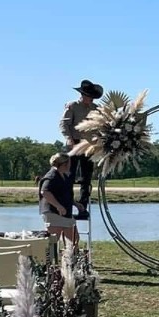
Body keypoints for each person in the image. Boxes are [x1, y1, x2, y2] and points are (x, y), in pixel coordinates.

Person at [59, 79, 103, 220]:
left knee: (86, 177)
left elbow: (99, 127)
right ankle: (67, 207)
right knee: (69, 176)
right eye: (89, 97)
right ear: (83, 95)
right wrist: (69, 138)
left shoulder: (96, 109)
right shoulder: (72, 106)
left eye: (92, 98)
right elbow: (63, 124)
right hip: (74, 143)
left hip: (89, 145)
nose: (90, 100)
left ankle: (83, 208)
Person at [38, 153, 78, 244]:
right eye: (69, 163)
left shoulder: (64, 175)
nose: (70, 166)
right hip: (54, 213)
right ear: (64, 164)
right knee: (53, 243)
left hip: (66, 213)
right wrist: (58, 206)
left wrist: (75, 204)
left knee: (74, 240)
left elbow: (63, 194)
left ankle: (71, 257)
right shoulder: (52, 176)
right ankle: (53, 258)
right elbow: (45, 192)